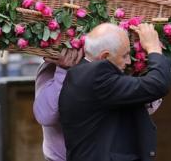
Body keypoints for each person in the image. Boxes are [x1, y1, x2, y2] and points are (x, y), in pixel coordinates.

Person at [58, 23, 171, 161]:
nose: (129, 61)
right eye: (124, 56)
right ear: (105, 57)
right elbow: (157, 84)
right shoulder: (97, 77)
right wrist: (154, 47)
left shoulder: (81, 74)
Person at [34, 48, 163, 161]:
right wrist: (63, 70)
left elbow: (145, 108)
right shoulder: (51, 67)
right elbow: (46, 116)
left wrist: (144, 66)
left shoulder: (118, 63)